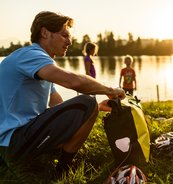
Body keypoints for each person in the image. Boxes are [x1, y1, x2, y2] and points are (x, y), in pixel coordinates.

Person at [0, 11, 125, 177]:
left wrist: (96, 109)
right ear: (45, 33)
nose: (70, 41)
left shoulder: (40, 65)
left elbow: (57, 105)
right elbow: (73, 81)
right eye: (64, 35)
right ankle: (63, 169)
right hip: (12, 141)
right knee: (87, 102)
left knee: (88, 105)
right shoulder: (30, 55)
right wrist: (110, 90)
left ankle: (54, 158)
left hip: (19, 139)